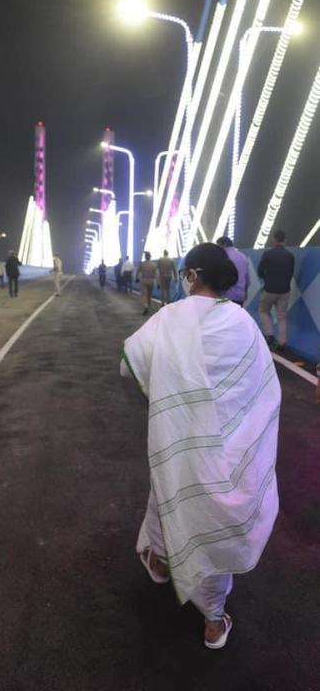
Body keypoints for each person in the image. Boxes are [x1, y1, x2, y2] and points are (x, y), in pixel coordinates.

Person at [121, 243, 280, 649]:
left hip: (181, 441)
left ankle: (160, 560)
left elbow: (130, 364)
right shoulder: (243, 322)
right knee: (212, 529)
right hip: (229, 454)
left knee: (169, 497)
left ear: (191, 274)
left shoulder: (171, 318)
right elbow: (262, 388)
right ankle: (213, 621)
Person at [258, 229, 295, 351]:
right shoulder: (290, 255)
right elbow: (291, 273)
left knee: (263, 311)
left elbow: (260, 271)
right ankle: (282, 343)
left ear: (274, 239)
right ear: (285, 240)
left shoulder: (267, 254)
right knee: (282, 317)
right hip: (284, 290)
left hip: (269, 289)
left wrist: (267, 278)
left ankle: (269, 335)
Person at [216, 236, 249, 306]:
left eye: (218, 246)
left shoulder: (223, 257)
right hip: (240, 295)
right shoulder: (243, 256)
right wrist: (245, 293)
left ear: (223, 245)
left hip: (226, 295)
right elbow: (246, 279)